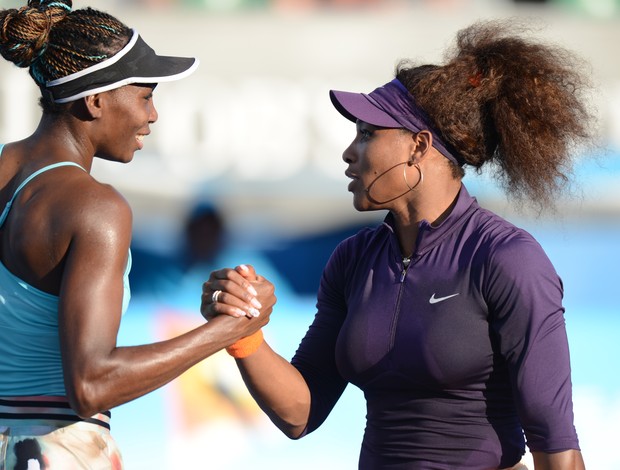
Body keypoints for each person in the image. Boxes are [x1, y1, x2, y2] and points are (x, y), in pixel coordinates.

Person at [201, 20, 593, 469]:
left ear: (418, 146)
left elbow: (557, 446)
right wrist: (243, 332)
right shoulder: (352, 260)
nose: (350, 152)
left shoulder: (506, 257)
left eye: (367, 133)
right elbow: (300, 413)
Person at [0, 1, 273, 468]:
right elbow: (92, 386)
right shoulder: (97, 207)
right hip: (54, 449)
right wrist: (231, 327)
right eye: (146, 95)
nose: (154, 115)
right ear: (95, 101)